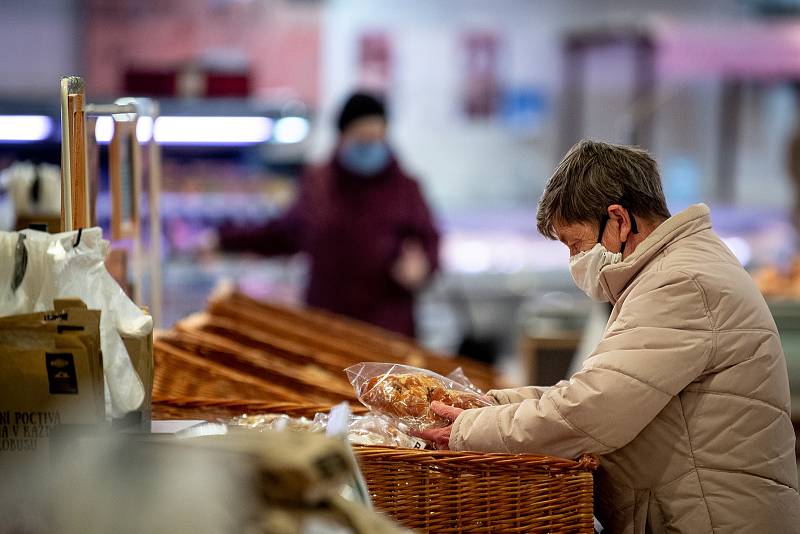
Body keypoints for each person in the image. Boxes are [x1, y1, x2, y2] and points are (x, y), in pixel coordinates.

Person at [416, 140, 800, 532]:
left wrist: (468, 430)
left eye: (576, 244)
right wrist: (490, 404)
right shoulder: (672, 269)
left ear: (618, 219)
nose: (574, 262)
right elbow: (606, 388)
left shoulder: (680, 282)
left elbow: (591, 410)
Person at [219, 92, 439, 338]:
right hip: (325, 327)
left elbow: (430, 242)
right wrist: (224, 240)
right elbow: (283, 234)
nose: (370, 147)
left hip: (388, 332)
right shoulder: (318, 185)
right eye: (362, 139)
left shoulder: (405, 189)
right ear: (343, 136)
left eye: (376, 139)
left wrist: (422, 266)